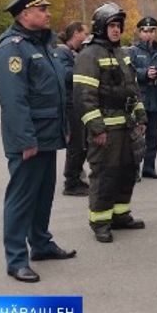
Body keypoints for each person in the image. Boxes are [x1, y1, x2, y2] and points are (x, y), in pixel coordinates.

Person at [0, 0, 77, 283]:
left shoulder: (43, 45)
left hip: (48, 135)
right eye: (42, 9)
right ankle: (16, 259)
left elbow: (56, 92)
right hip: (29, 140)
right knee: (21, 198)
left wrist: (64, 129)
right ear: (25, 14)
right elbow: (13, 100)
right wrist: (25, 140)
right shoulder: (12, 48)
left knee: (43, 196)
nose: (47, 13)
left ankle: (41, 244)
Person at [74, 2, 149, 243]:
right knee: (105, 175)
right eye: (112, 25)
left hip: (126, 126)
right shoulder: (89, 55)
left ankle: (120, 215)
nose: (116, 30)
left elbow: (132, 88)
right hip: (106, 128)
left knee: (127, 172)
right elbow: (84, 95)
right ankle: (100, 222)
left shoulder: (121, 53)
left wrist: (140, 116)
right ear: (100, 28)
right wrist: (97, 128)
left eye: (118, 26)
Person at [129, 16, 157, 179]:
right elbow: (129, 72)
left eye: (152, 31)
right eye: (145, 31)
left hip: (156, 100)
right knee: (136, 137)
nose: (149, 34)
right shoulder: (133, 51)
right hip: (139, 100)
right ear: (140, 33)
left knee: (153, 137)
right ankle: (133, 170)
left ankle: (149, 168)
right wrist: (145, 73)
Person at [57, 21, 92, 196]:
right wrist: (83, 69)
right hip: (71, 105)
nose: (86, 36)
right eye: (84, 33)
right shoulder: (62, 52)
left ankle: (77, 177)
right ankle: (71, 182)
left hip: (78, 103)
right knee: (76, 145)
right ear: (76, 33)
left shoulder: (73, 52)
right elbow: (65, 76)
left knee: (83, 143)